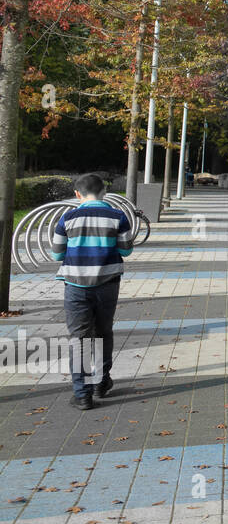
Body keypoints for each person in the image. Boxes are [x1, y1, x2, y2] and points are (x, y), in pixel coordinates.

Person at [50, 173, 134, 410]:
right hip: (108, 285)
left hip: (76, 286)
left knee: (80, 338)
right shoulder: (118, 216)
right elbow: (126, 250)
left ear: (78, 194)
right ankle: (100, 382)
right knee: (104, 332)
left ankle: (82, 394)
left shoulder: (67, 217)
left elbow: (56, 254)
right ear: (104, 192)